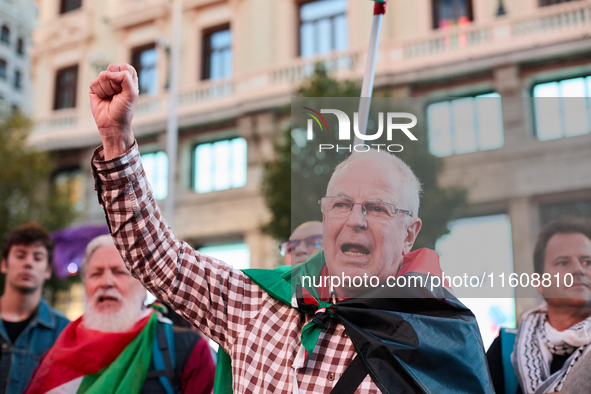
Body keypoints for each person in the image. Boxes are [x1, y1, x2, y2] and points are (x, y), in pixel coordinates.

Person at [87, 64, 493, 393]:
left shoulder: (437, 340)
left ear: (410, 232)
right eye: (341, 205)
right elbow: (160, 260)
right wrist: (116, 137)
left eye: (377, 208)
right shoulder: (256, 305)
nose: (355, 219)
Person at [25, 235, 215, 394]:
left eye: (119, 272)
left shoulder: (190, 351)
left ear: (143, 288)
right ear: (85, 287)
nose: (106, 282)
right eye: (96, 274)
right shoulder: (56, 353)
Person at [486, 216, 591, 394]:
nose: (578, 269)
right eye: (563, 262)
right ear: (539, 281)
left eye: (588, 262)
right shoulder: (506, 347)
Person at [0, 222, 69, 394]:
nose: (28, 263)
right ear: (4, 264)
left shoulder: (64, 333)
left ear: (48, 270)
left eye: (37, 257)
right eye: (20, 255)